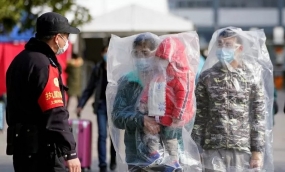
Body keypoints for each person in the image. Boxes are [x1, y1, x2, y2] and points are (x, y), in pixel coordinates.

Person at [5, 12, 81, 172]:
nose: (67, 41)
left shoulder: (21, 59)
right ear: (57, 37)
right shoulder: (43, 64)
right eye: (66, 37)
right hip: (44, 152)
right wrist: (70, 151)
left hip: (22, 149)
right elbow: (54, 112)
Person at [192, 28, 267, 171]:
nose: (222, 48)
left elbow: (258, 116)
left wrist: (257, 152)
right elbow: (200, 116)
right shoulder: (207, 77)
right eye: (220, 44)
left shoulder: (251, 77)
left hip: (241, 148)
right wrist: (197, 148)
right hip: (212, 147)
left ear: (240, 48)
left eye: (228, 45)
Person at [137, 36, 195, 171]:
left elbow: (184, 96)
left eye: (164, 58)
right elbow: (150, 89)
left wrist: (179, 114)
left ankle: (173, 161)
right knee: (151, 134)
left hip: (171, 118)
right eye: (160, 58)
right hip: (157, 113)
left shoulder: (181, 75)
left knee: (170, 139)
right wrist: (143, 102)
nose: (161, 62)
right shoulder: (160, 73)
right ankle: (155, 154)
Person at [76, 46, 116, 172]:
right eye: (105, 52)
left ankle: (113, 160)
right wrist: (81, 104)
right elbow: (89, 88)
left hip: (114, 107)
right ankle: (102, 164)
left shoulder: (116, 69)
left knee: (113, 136)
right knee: (102, 135)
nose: (107, 55)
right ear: (102, 53)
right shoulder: (97, 69)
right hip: (101, 106)